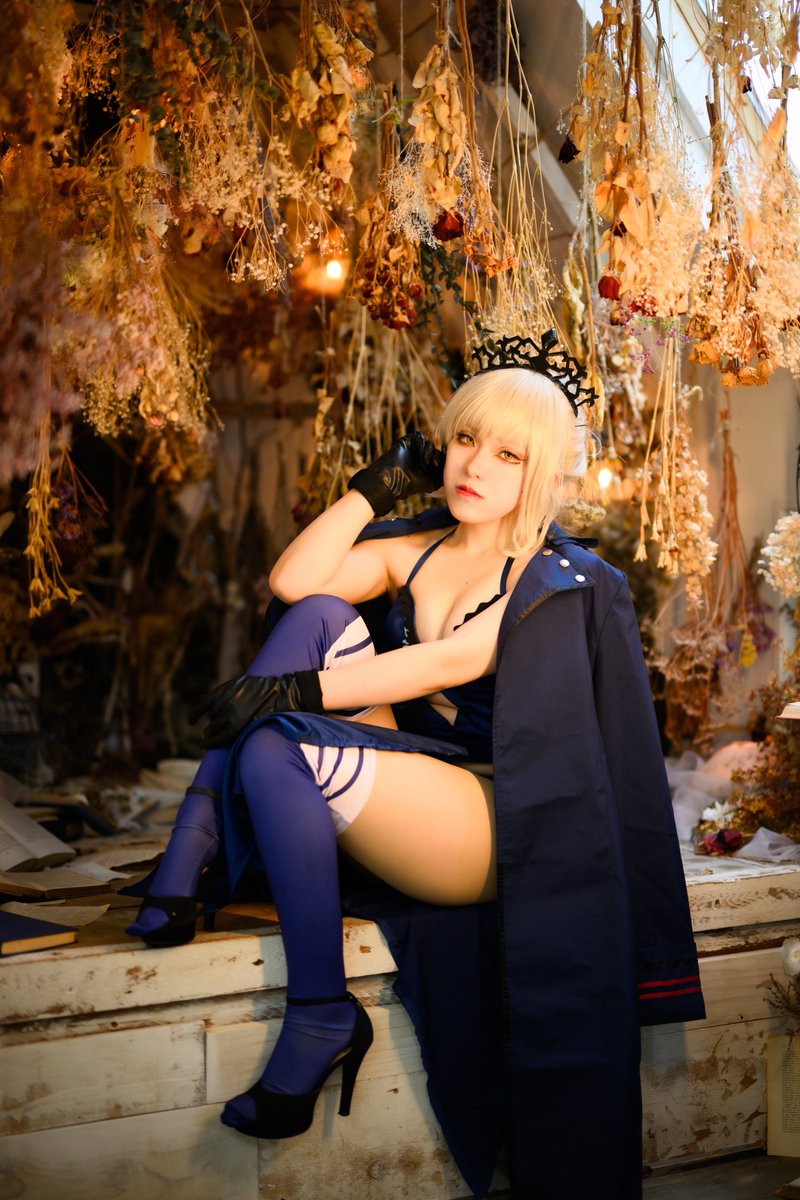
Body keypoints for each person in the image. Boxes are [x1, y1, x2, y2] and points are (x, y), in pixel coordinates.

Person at [125, 333, 704, 1200]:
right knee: (316, 616)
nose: (474, 465)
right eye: (465, 438)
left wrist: (296, 693)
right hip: (417, 776)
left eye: (509, 454)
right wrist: (374, 488)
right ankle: (295, 975)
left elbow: (450, 662)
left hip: (492, 822)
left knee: (279, 737)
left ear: (544, 473)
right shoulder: (421, 544)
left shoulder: (554, 578)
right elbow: (293, 583)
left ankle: (297, 991)